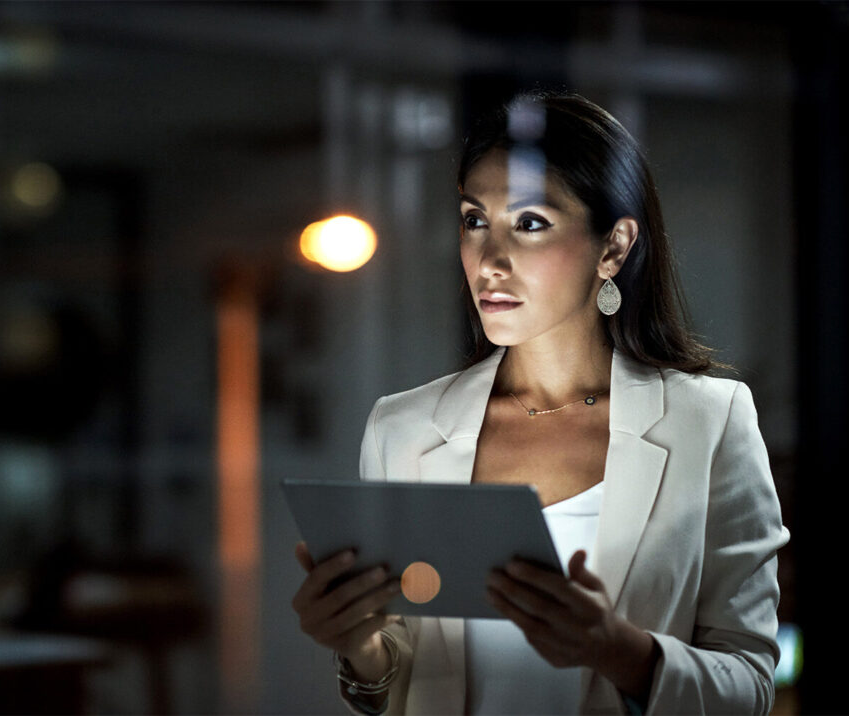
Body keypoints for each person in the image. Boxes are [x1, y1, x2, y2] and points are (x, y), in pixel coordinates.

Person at [291, 91, 789, 715]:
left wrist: (620, 651)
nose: (489, 261)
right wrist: (358, 644)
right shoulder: (404, 430)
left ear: (613, 247)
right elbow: (401, 674)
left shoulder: (709, 422)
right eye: (476, 220)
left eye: (530, 223)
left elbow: (751, 686)